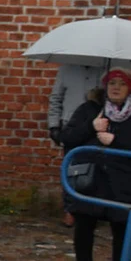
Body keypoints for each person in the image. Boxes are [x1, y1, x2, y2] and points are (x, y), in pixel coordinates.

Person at [60, 68, 131, 261]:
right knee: (84, 226)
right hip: (91, 179)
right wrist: (91, 127)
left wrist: (116, 139)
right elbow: (67, 138)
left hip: (122, 182)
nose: (116, 88)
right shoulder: (90, 110)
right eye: (111, 83)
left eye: (121, 84)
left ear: (129, 89)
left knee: (122, 228)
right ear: (105, 86)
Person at [48, 64, 104, 227]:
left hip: (96, 124)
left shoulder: (104, 68)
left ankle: (93, 208)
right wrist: (53, 126)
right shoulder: (67, 69)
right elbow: (56, 98)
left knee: (95, 170)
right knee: (71, 169)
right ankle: (70, 210)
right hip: (71, 125)